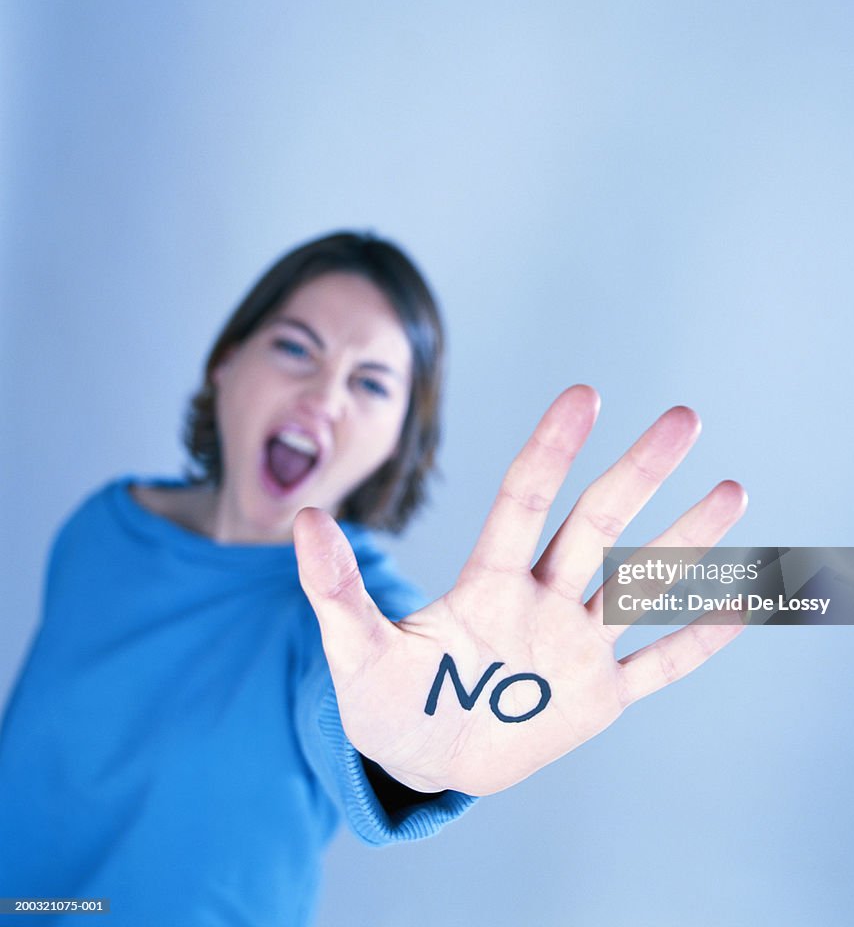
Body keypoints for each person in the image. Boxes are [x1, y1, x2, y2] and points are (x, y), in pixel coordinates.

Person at [0, 231, 748, 925]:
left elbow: (367, 695)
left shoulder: (364, 616)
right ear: (227, 363)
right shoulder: (103, 526)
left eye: (371, 384)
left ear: (397, 442)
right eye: (296, 348)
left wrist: (411, 759)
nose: (323, 400)